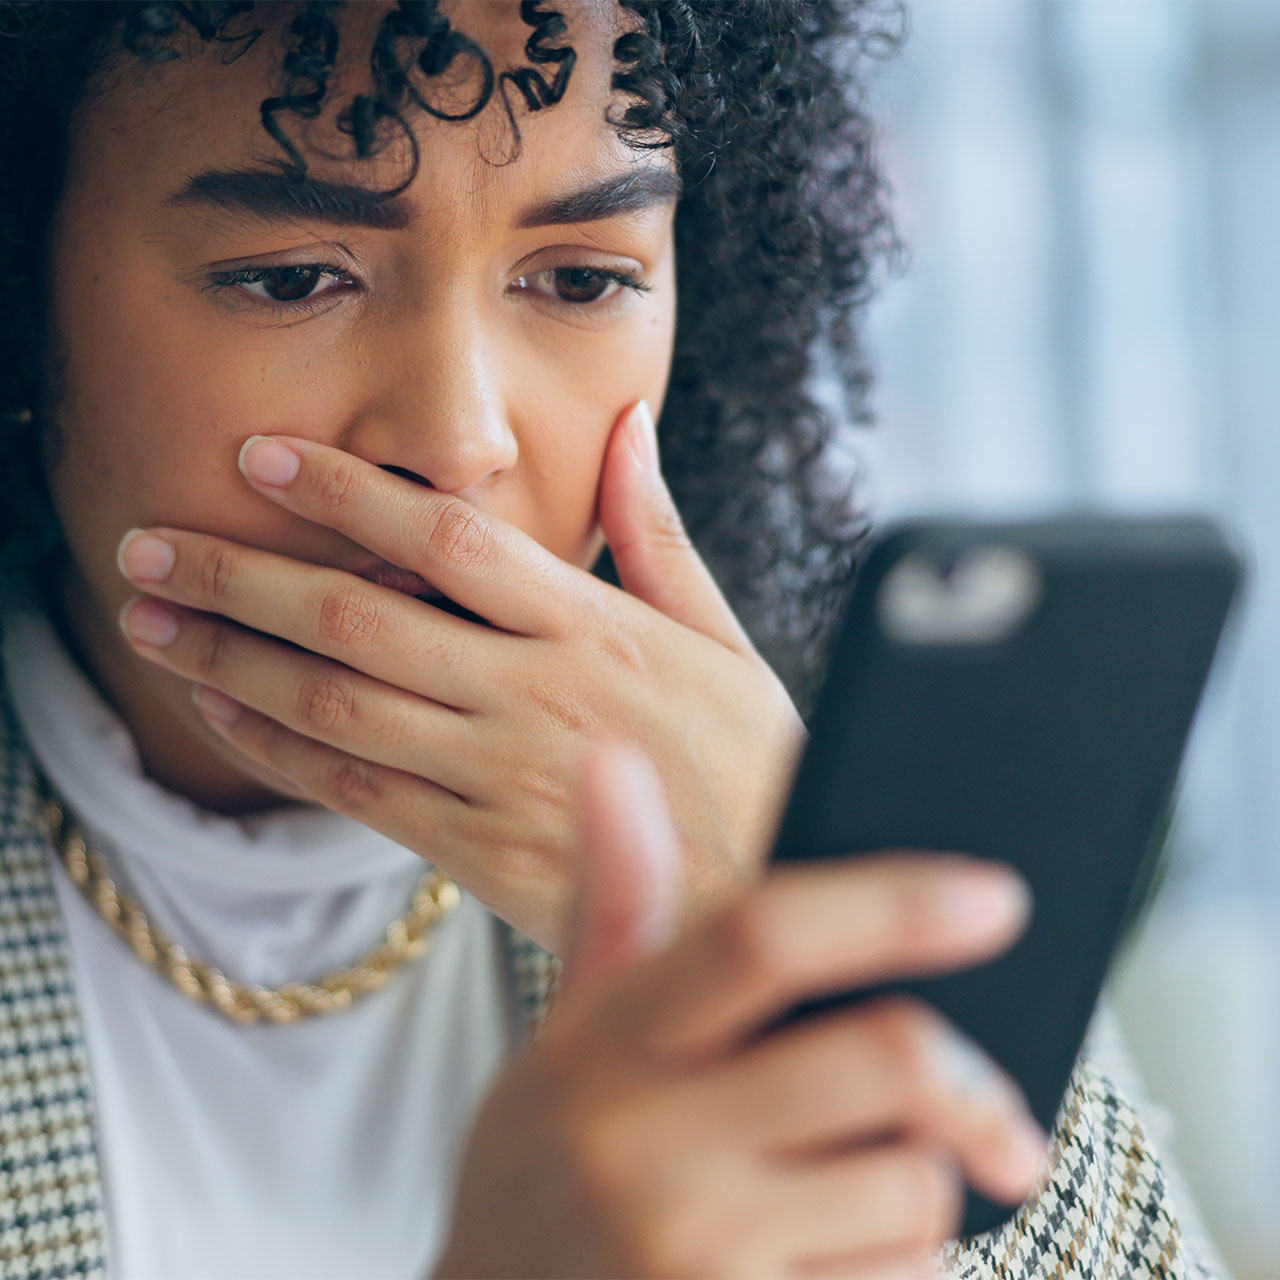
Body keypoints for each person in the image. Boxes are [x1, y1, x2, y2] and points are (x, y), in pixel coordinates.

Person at [0, 2, 1221, 1277]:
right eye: (295, 277)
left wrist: (789, 914)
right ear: (26, 284)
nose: (459, 437)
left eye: (581, 279)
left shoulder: (785, 795)